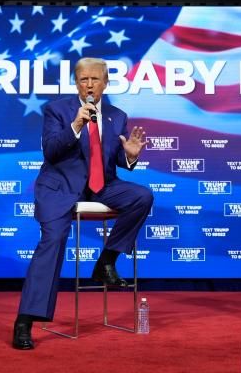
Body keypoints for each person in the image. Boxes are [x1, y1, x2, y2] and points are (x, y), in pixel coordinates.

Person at [13, 57, 154, 350]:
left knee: (142, 196)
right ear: (76, 83)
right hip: (61, 188)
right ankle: (25, 320)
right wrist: (76, 124)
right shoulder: (58, 110)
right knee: (52, 242)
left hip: (102, 187)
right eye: (83, 80)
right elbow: (51, 152)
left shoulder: (117, 116)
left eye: (95, 79)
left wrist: (130, 155)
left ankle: (106, 261)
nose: (89, 85)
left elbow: (115, 159)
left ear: (106, 83)